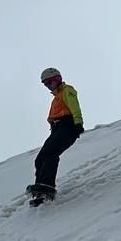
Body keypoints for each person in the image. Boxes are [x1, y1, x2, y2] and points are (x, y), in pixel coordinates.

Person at [29, 67, 84, 201]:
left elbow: (74, 106)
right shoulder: (56, 98)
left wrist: (78, 123)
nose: (48, 86)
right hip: (57, 129)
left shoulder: (67, 90)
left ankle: (47, 186)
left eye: (49, 82)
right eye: (45, 84)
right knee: (40, 158)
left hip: (68, 126)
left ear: (57, 79)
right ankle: (40, 188)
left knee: (50, 153)